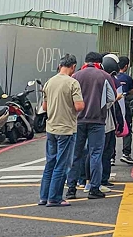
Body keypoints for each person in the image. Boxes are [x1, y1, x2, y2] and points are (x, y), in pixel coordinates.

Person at [65, 52, 115, 200]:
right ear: (99, 63)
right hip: (97, 121)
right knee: (96, 154)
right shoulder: (105, 76)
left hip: (78, 121)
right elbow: (111, 98)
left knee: (76, 155)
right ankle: (94, 188)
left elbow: (69, 98)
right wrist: (101, 107)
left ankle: (71, 189)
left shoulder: (75, 76)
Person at [39, 54, 84, 208]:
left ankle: (43, 197)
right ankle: (55, 198)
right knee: (62, 164)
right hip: (66, 129)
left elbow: (44, 107)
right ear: (73, 67)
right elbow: (79, 106)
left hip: (51, 128)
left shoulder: (49, 82)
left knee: (50, 162)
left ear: (60, 66)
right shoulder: (73, 83)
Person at [99, 55, 121, 189]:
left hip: (98, 122)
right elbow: (108, 101)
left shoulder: (80, 77)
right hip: (104, 123)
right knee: (104, 152)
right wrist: (116, 98)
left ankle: (87, 179)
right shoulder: (106, 80)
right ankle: (101, 179)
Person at [115, 56, 133, 165]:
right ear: (126, 66)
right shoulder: (127, 78)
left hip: (113, 106)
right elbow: (132, 91)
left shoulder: (112, 77)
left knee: (112, 131)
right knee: (127, 128)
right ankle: (126, 154)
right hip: (124, 106)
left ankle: (111, 157)